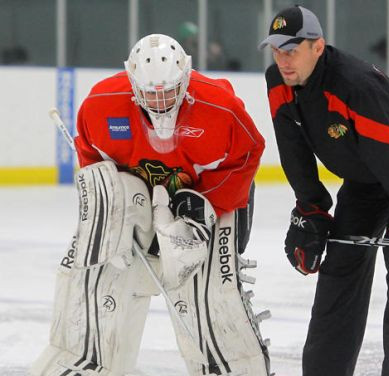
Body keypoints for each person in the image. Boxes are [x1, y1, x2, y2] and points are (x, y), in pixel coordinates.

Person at [31, 33, 270, 376]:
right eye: (149, 92)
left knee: (210, 289)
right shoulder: (102, 104)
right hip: (138, 200)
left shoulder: (220, 107)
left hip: (202, 198)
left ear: (186, 77)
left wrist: (203, 212)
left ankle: (230, 363)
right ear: (131, 80)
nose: (159, 100)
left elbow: (248, 154)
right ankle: (88, 360)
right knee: (100, 269)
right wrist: (110, 213)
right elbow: (93, 163)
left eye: (169, 91)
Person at [259, 5, 389, 376]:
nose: (283, 61)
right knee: (341, 263)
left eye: (291, 50)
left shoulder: (354, 84)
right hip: (369, 172)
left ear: (318, 47)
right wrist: (311, 209)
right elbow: (293, 149)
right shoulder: (279, 83)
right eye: (276, 51)